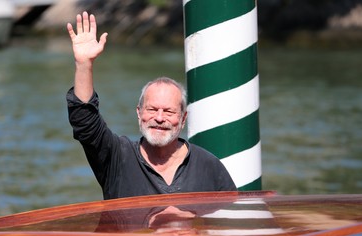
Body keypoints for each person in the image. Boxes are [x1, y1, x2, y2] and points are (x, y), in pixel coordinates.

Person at [66, 12, 236, 199]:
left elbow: (231, 220)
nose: (160, 118)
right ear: (139, 113)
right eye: (152, 109)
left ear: (183, 118)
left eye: (169, 111)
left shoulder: (208, 166)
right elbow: (85, 122)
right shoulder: (117, 158)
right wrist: (84, 64)